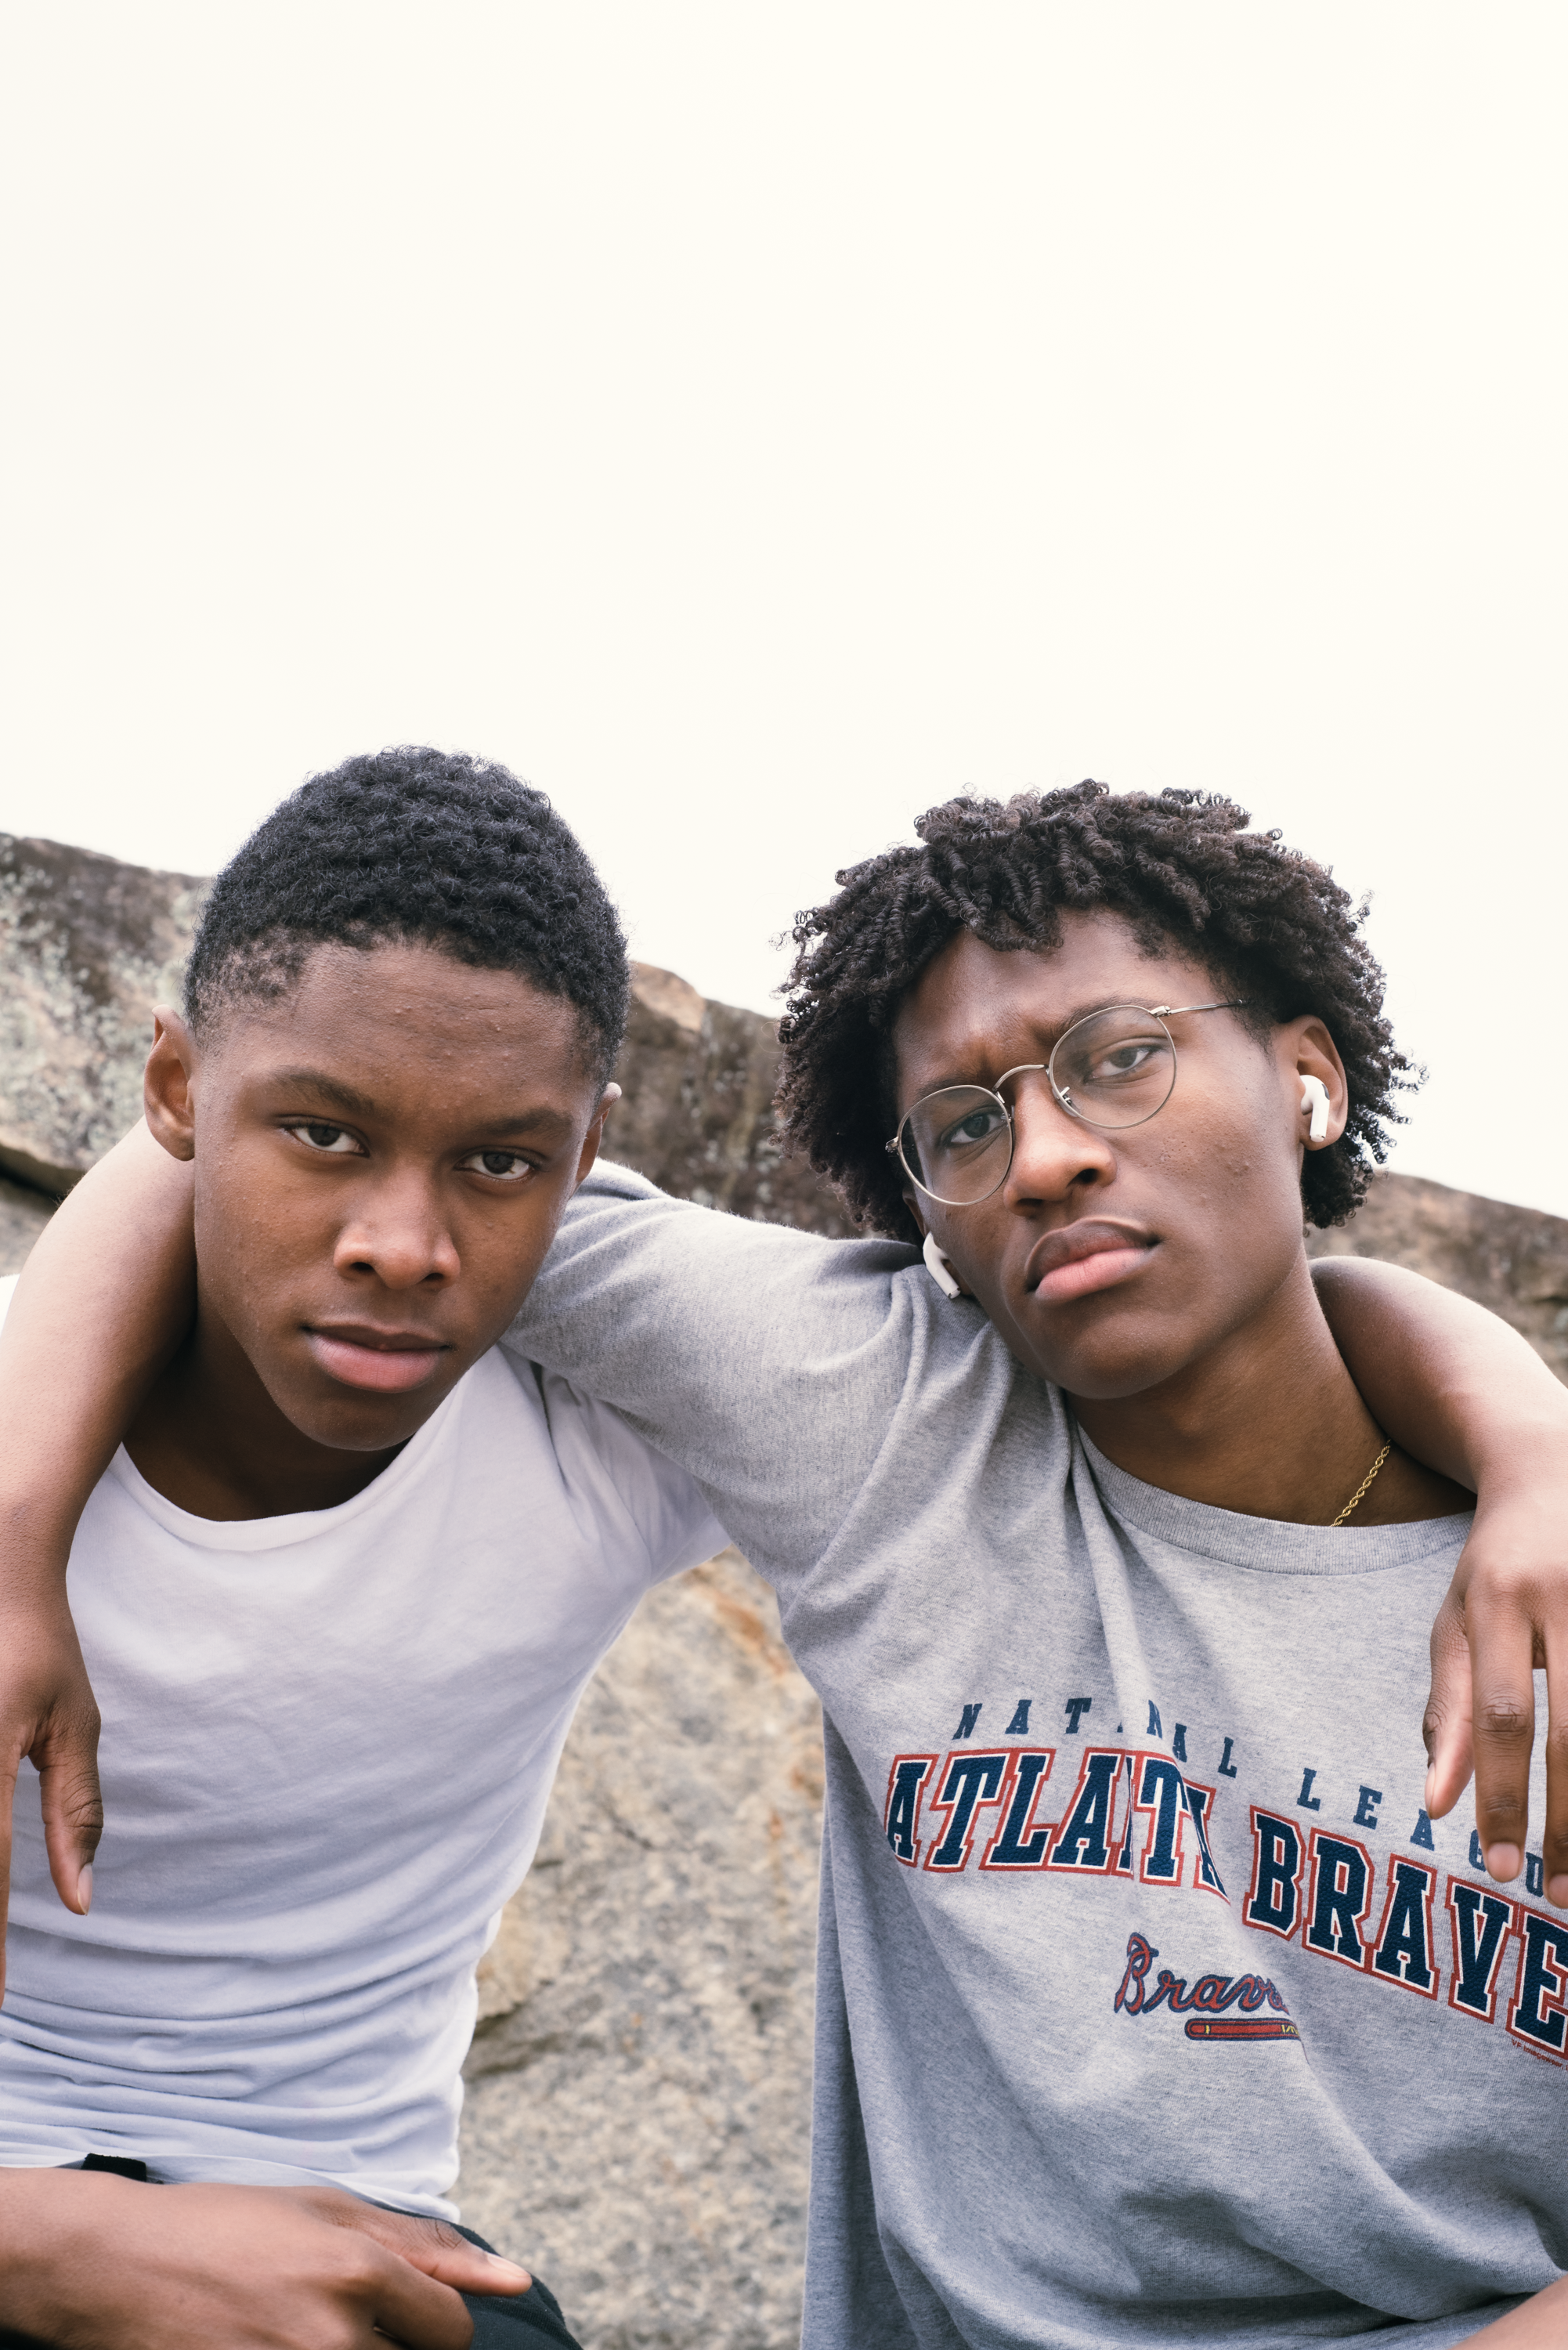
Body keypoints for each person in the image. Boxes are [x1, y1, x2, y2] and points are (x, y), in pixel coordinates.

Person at [3, 779, 1568, 2345]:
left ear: (1305, 1077)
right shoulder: (883, 1426)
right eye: (963, 1125)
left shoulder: (1531, 1571)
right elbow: (255, 1131)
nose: (1042, 1158)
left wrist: (1532, 1449)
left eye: (1119, 1059)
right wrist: (15, 1543)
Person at [0, 750, 731, 2350]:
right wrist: (49, 2246)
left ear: (584, 1155)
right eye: (324, 1136)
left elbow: (1028, 1341)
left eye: (498, 1162)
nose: (403, 1247)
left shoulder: (601, 1428)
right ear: (176, 1091)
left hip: (357, 2228)